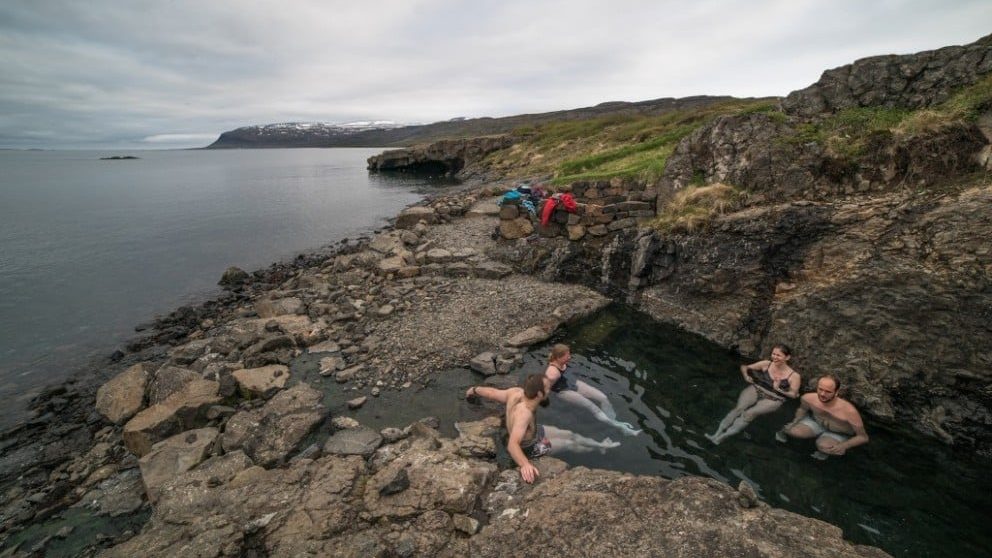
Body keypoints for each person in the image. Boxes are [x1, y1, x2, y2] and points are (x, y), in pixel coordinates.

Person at [465, 374, 620, 483]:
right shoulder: (524, 413)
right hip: (528, 447)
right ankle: (599, 448)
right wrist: (525, 464)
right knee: (569, 444)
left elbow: (492, 393)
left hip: (533, 432)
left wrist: (474, 389)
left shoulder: (516, 392)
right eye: (547, 388)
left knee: (569, 434)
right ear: (539, 393)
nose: (550, 389)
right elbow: (513, 445)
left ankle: (600, 446)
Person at [706, 344, 800, 445]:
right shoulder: (766, 364)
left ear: (787, 357)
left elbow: (793, 395)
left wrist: (778, 389)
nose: (775, 357)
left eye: (778, 355)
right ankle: (716, 433)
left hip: (774, 398)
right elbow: (744, 367)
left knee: (749, 414)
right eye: (773, 354)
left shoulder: (794, 376)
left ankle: (723, 437)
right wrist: (746, 375)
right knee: (738, 409)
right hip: (757, 388)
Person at [543, 344, 641, 436]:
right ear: (559, 357)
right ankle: (620, 427)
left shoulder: (562, 363)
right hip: (563, 391)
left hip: (572, 383)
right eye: (567, 355)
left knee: (603, 397)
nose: (570, 357)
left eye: (569, 354)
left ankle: (615, 421)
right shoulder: (552, 373)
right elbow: (545, 389)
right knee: (594, 408)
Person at [776, 374, 868, 458]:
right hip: (815, 422)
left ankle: (824, 452)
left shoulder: (849, 411)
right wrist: (794, 421)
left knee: (825, 446)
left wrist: (843, 446)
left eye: (828, 392)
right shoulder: (808, 398)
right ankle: (783, 432)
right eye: (820, 389)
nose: (822, 394)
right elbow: (802, 410)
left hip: (838, 433)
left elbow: (863, 437)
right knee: (792, 431)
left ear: (836, 392)